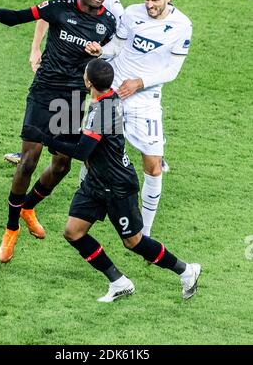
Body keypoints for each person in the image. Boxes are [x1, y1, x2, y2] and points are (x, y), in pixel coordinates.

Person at [23, 59, 201, 302]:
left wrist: (44, 138)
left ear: (88, 82)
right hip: (96, 182)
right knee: (73, 232)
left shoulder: (104, 111)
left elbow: (82, 152)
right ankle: (119, 282)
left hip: (117, 186)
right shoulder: (106, 100)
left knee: (134, 242)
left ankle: (186, 271)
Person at [0, 0, 116, 262]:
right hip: (44, 91)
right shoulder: (59, 8)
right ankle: (11, 229)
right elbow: (16, 18)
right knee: (28, 162)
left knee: (62, 165)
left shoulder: (107, 22)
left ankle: (28, 207)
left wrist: (102, 51)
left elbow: (115, 49)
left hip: (72, 98)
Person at [85, 0, 192, 236]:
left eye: (155, 0)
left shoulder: (181, 26)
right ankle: (87, 208)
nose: (150, 5)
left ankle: (144, 232)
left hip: (145, 99)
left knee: (153, 166)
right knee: (91, 152)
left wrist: (139, 83)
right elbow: (118, 46)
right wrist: (101, 51)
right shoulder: (132, 14)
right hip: (115, 92)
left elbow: (172, 70)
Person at [3, 0, 124, 165]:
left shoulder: (112, 4)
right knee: (38, 140)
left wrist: (101, 51)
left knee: (69, 154)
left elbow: (117, 42)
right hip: (51, 79)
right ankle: (29, 150)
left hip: (81, 80)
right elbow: (46, 15)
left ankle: (96, 162)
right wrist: (35, 48)